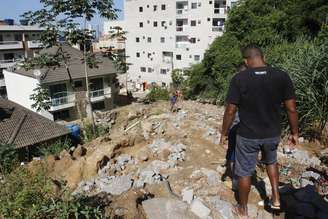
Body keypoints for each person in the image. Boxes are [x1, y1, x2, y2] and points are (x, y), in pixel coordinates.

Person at [219, 44, 299, 218]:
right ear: (263, 57)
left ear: (245, 61)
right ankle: (276, 198)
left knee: (244, 171)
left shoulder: (239, 78)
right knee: (271, 162)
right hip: (272, 133)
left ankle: (243, 209)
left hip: (247, 135)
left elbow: (231, 110)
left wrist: (224, 133)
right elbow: (291, 109)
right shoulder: (281, 76)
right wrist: (295, 133)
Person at [221, 64, 247, 190]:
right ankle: (242, 179)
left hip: (236, 126)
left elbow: (229, 110)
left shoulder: (236, 84)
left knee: (232, 152)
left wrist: (223, 133)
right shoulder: (255, 85)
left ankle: (235, 181)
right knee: (245, 155)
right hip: (251, 128)